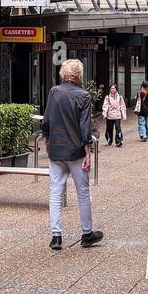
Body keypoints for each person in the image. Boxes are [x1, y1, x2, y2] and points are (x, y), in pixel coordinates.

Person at [40, 59, 103, 251]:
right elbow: (85, 126)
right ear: (79, 75)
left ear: (64, 74)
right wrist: (88, 150)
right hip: (76, 150)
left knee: (55, 191)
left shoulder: (54, 92)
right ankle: (86, 234)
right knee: (82, 193)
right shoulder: (83, 96)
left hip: (56, 149)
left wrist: (47, 139)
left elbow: (47, 120)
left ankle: (56, 236)